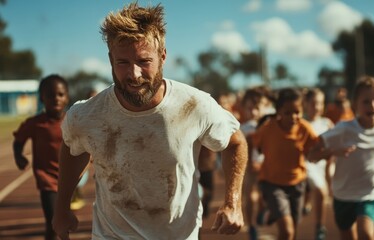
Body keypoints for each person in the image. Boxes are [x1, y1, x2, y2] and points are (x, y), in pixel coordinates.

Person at [52, 3, 248, 240]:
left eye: (144, 61)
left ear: (162, 56)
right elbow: (73, 150)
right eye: (122, 62)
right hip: (111, 235)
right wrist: (61, 208)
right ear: (110, 59)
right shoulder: (86, 115)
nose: (134, 74)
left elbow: (236, 142)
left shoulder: (196, 105)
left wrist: (233, 202)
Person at [308, 76, 374, 240]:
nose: (373, 105)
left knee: (367, 233)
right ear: (355, 105)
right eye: (366, 101)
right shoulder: (343, 129)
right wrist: (333, 151)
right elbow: (311, 155)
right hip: (343, 194)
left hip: (369, 192)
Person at [251, 88, 319, 240]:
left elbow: (315, 150)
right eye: (288, 112)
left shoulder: (304, 128)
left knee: (292, 232)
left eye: (297, 112)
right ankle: (268, 208)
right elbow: (254, 144)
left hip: (297, 184)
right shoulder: (268, 128)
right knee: (287, 231)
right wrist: (253, 161)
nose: (293, 117)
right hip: (272, 184)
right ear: (278, 111)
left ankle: (270, 212)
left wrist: (330, 152)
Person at [13, 74, 69, 240]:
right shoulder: (35, 123)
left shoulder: (73, 120)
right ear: (42, 98)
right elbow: (18, 140)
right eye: (50, 95)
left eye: (60, 94)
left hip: (69, 179)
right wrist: (18, 156)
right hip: (48, 180)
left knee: (66, 223)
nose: (56, 99)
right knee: (53, 224)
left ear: (67, 96)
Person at [239, 86, 274, 240]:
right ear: (244, 109)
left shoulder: (268, 125)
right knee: (250, 193)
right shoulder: (243, 128)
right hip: (250, 166)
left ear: (264, 108)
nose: (253, 112)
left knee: (265, 194)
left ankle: (263, 210)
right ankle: (252, 225)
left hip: (266, 165)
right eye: (249, 108)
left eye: (257, 108)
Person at [302, 88, 334, 240]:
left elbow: (336, 139)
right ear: (306, 104)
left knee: (321, 191)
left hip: (320, 166)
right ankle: (319, 226)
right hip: (304, 165)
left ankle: (319, 225)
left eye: (320, 103)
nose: (317, 107)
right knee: (321, 191)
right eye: (313, 103)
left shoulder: (327, 123)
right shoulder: (300, 122)